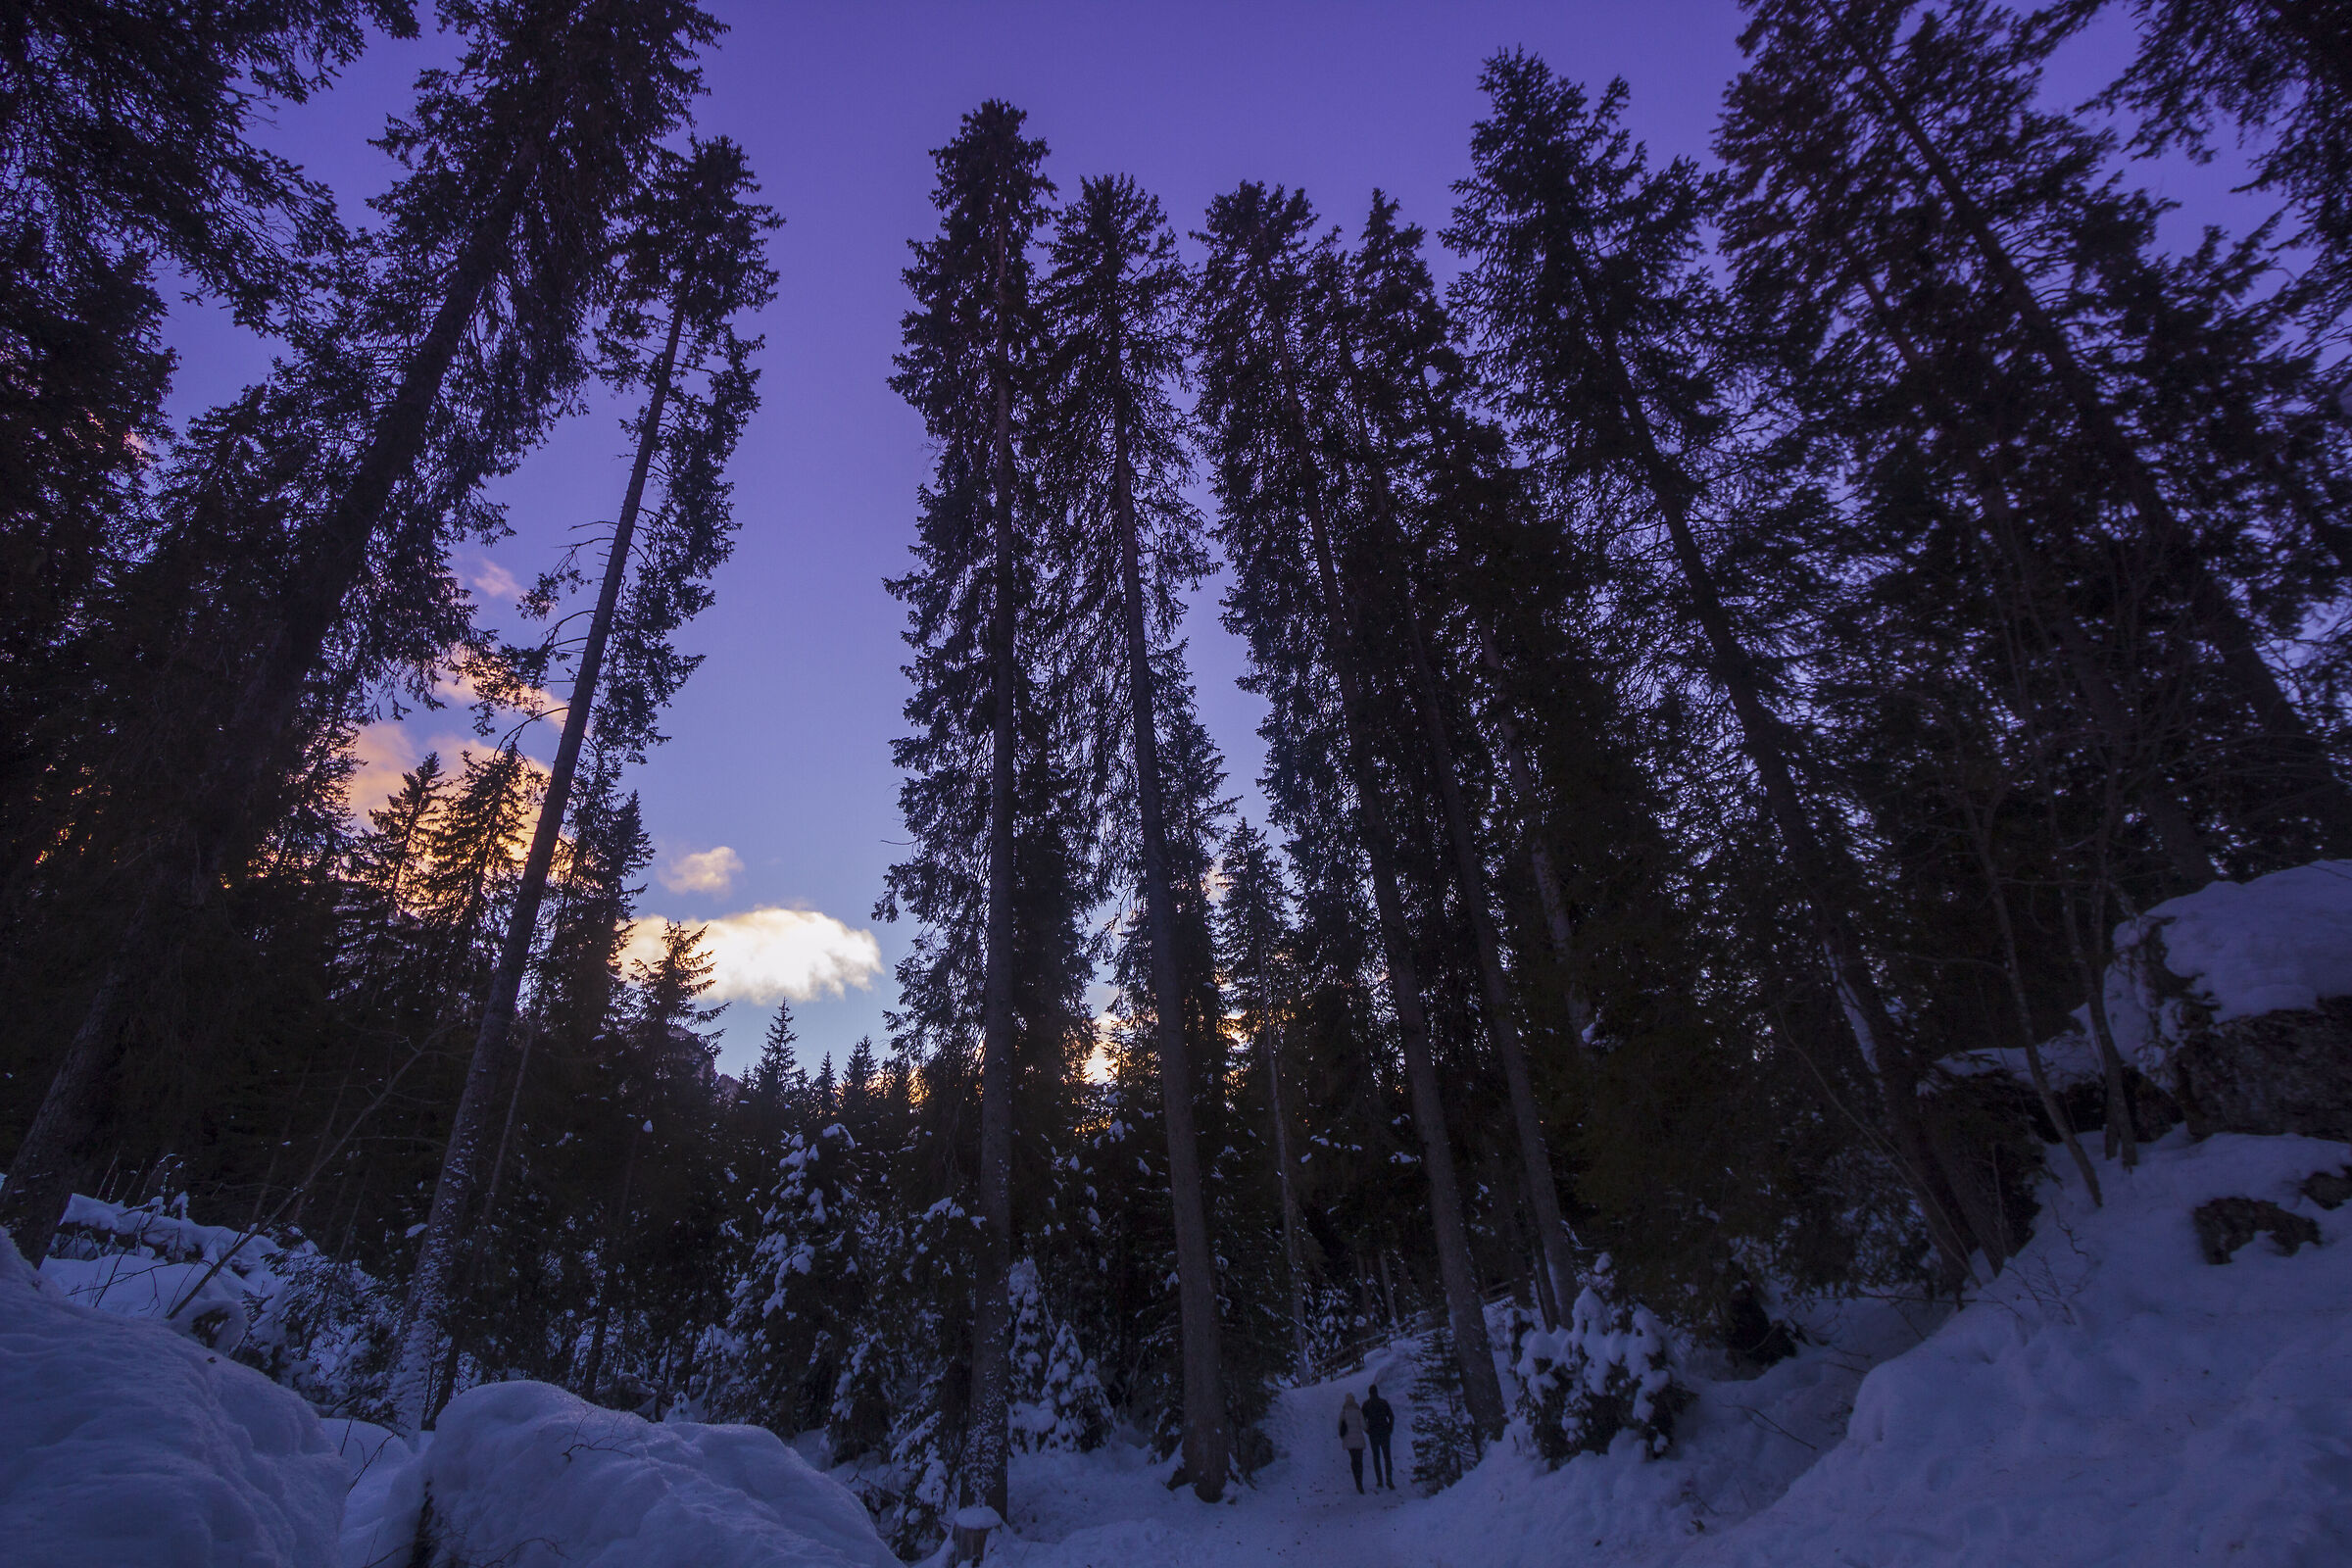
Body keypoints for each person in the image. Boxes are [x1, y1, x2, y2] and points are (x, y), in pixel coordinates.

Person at [1361, 1383, 1396, 1491]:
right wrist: (1390, 1428)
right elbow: (1391, 1416)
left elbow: (1362, 1419)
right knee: (1387, 1457)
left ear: (1369, 1393)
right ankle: (1389, 1479)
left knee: (1376, 1458)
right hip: (1384, 1432)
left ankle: (1380, 1480)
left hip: (1374, 1434)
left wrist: (1367, 1430)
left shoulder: (1366, 1404)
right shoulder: (1383, 1403)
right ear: (1377, 1392)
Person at [1339, 1391, 1368, 1494]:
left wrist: (1343, 1437)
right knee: (1359, 1461)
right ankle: (1360, 1482)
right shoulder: (1358, 1411)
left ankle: (1356, 1481)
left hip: (1349, 1440)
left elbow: (1339, 1427)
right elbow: (1364, 1426)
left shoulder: (1343, 1412)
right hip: (1359, 1439)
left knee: (1353, 1460)